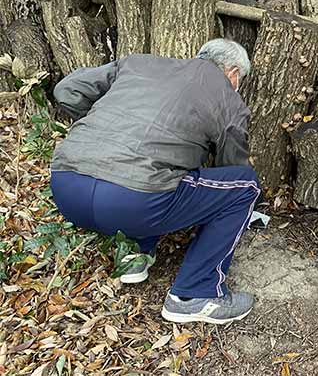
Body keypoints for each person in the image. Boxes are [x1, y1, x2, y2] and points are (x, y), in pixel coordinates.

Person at [50, 39, 260, 325]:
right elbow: (230, 167)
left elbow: (66, 90)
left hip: (66, 188)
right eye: (240, 80)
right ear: (233, 73)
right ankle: (195, 294)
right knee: (244, 186)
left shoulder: (139, 63)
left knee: (162, 170)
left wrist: (105, 130)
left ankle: (134, 256)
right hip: (133, 202)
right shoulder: (227, 97)